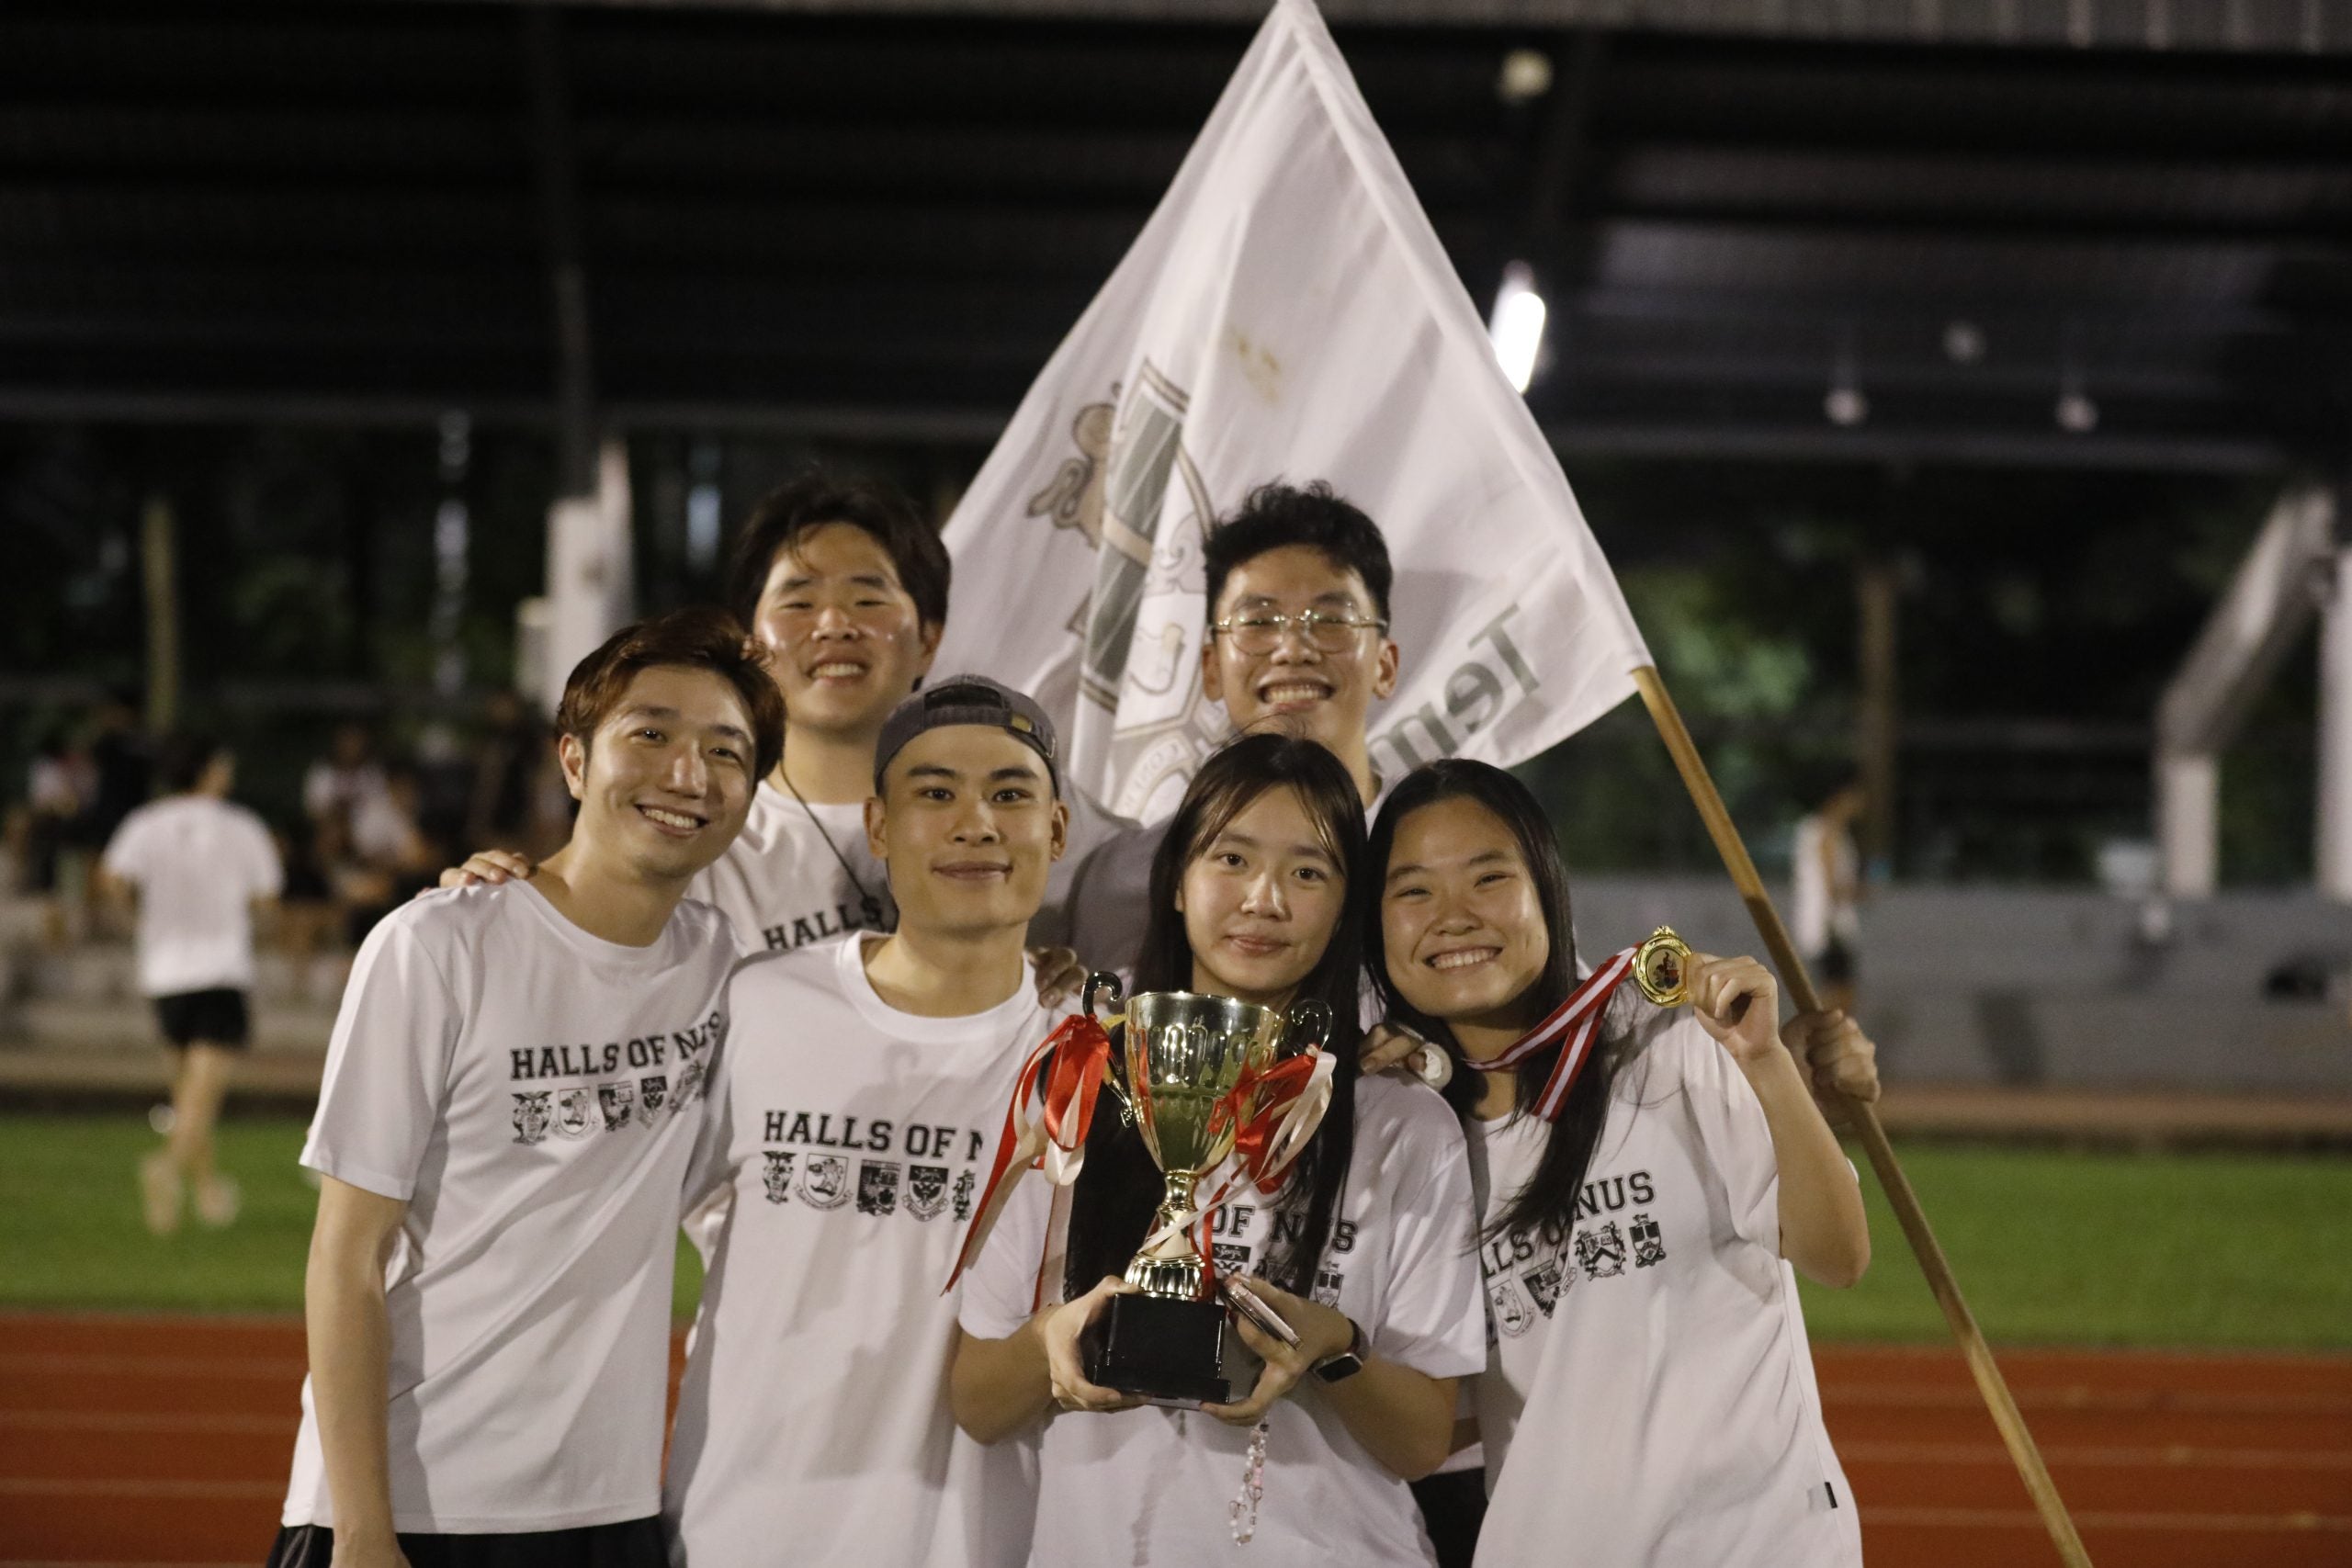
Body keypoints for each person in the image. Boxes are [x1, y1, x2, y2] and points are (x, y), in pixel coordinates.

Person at [267, 608, 783, 1568]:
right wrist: (362, 1532)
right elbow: (346, 1257)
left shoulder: (727, 972)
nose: (686, 772)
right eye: (651, 734)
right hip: (414, 1510)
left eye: (726, 751)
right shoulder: (438, 947)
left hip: (609, 1505)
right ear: (576, 762)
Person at [951, 733, 1483, 1566]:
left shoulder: (1403, 1124)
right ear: (1177, 882)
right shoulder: (1079, 1083)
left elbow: (1421, 1440)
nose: (1264, 898)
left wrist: (1332, 1346)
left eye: (1309, 871)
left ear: (1349, 905)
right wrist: (1052, 1342)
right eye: (1231, 857)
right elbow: (977, 1400)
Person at [1368, 760, 1881, 1568]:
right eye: (1413, 891)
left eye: (1488, 877)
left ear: (1546, 883)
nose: (1453, 917)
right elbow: (1441, 1422)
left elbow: (1838, 1252)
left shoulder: (1665, 1034)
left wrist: (1767, 1065)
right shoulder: (1407, 1134)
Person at [662, 675, 1071, 1566]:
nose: (976, 823)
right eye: (935, 794)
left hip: (976, 1542)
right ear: (878, 828)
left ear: (1057, 829)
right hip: (741, 1531)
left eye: (1009, 793)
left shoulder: (1094, 1062)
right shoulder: (760, 1003)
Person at [1042, 480, 1401, 970]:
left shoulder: (1427, 862)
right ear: (1211, 667)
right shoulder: (1127, 878)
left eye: (1331, 620)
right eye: (1259, 622)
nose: (1293, 649)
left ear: (1384, 663)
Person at [96, 732, 283, 1236]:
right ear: (210, 771)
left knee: (187, 1095)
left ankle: (206, 1192)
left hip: (163, 972)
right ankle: (166, 1167)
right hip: (220, 968)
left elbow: (112, 881)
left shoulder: (144, 824)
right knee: (202, 1097)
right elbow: (266, 897)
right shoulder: (240, 826)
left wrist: (141, 919)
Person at [1792, 779, 1867, 1016]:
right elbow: (1832, 888)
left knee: (1835, 993)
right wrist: (1857, 891)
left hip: (1825, 925)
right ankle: (1825, 1049)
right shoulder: (1826, 832)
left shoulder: (1816, 830)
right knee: (1838, 996)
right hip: (1829, 927)